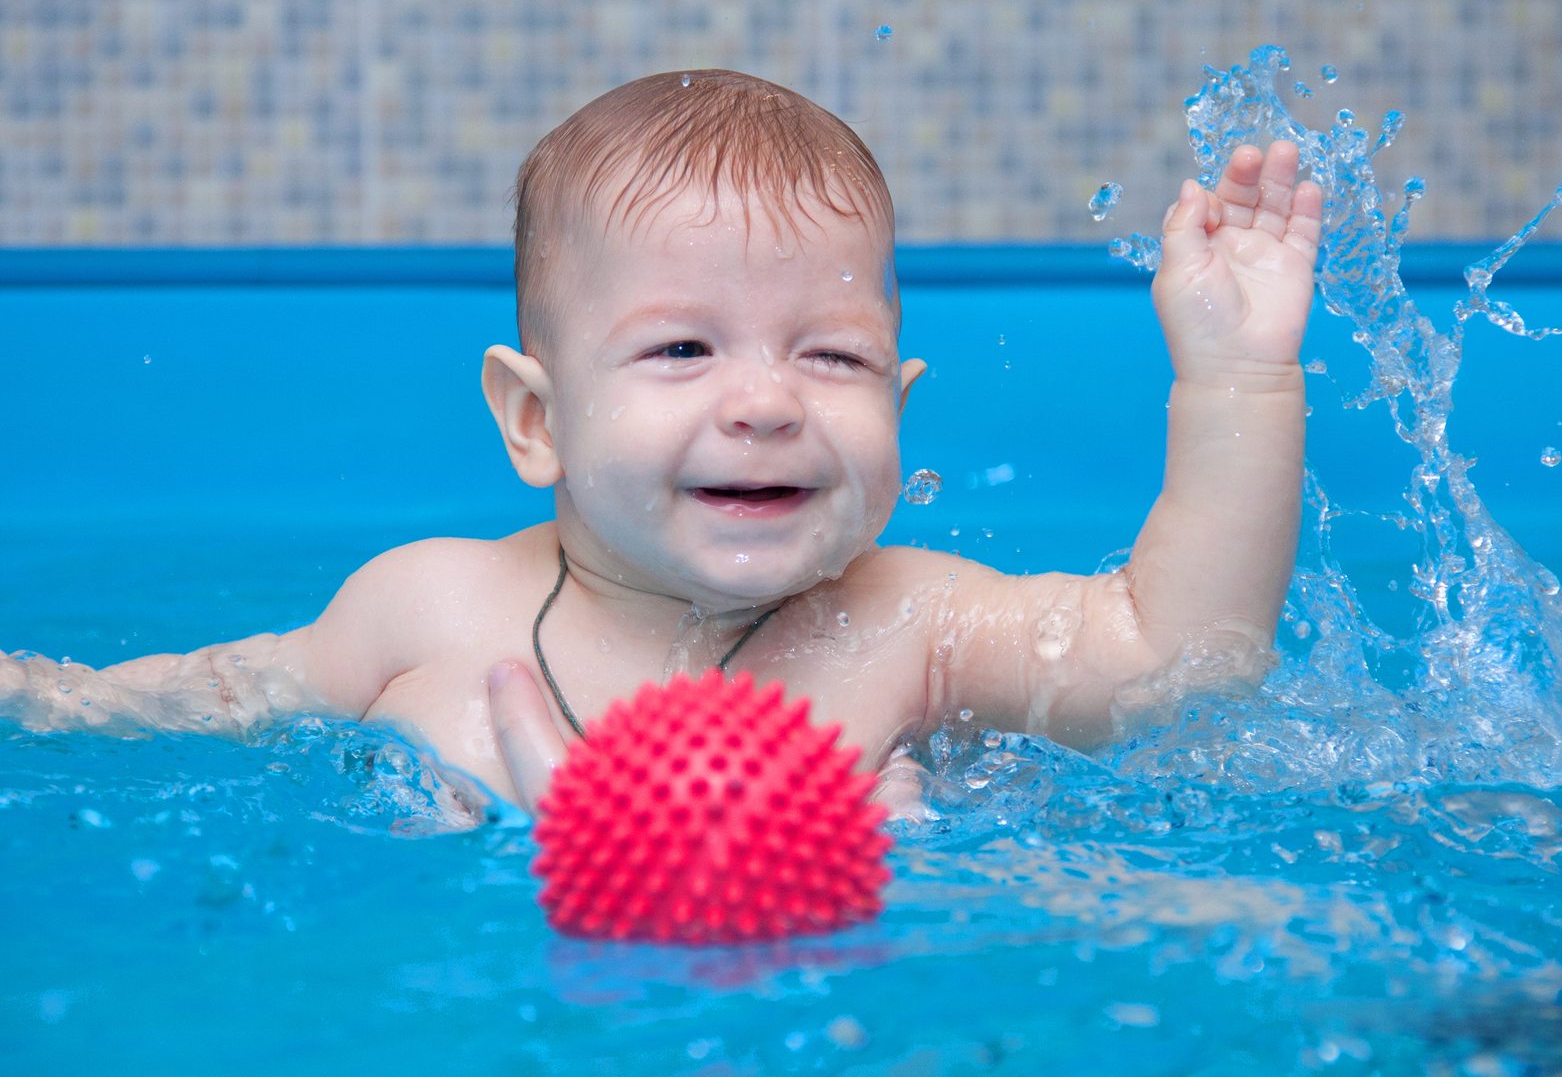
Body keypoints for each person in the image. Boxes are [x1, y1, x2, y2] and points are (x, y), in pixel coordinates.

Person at [2, 69, 1320, 816]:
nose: (767, 402)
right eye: (683, 349)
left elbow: (1181, 667)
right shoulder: (425, 604)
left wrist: (1240, 377)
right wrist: (39, 695)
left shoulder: (912, 626)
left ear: (901, 414)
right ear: (537, 420)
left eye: (833, 355)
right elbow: (218, 698)